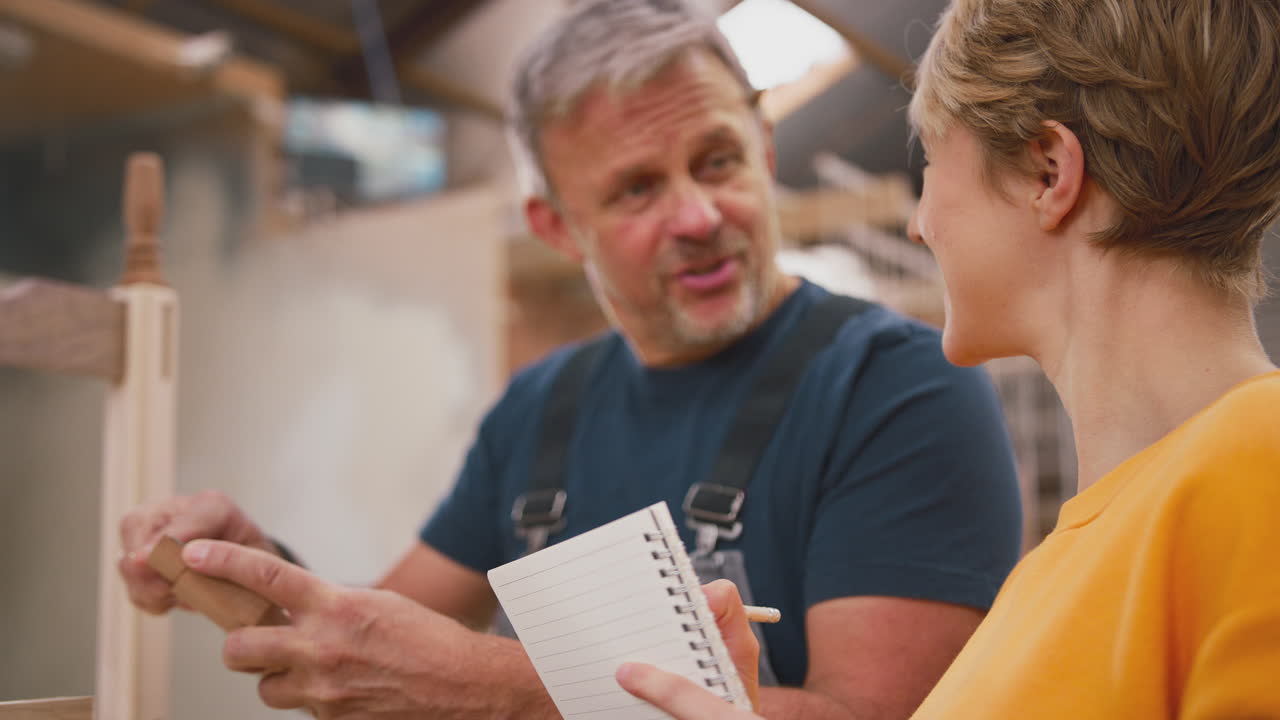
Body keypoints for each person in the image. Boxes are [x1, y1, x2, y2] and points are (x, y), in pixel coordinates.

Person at [115, 0, 1024, 717]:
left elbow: (885, 717)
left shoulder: (896, 384)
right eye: (637, 188)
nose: (699, 216)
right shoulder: (540, 407)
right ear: (556, 226)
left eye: (717, 161)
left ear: (765, 149)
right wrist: (255, 567)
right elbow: (387, 648)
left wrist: (504, 696)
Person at [617, 0, 1280, 717]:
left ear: (1048, 172)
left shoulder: (1257, 469)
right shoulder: (1068, 563)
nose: (918, 223)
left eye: (930, 161)